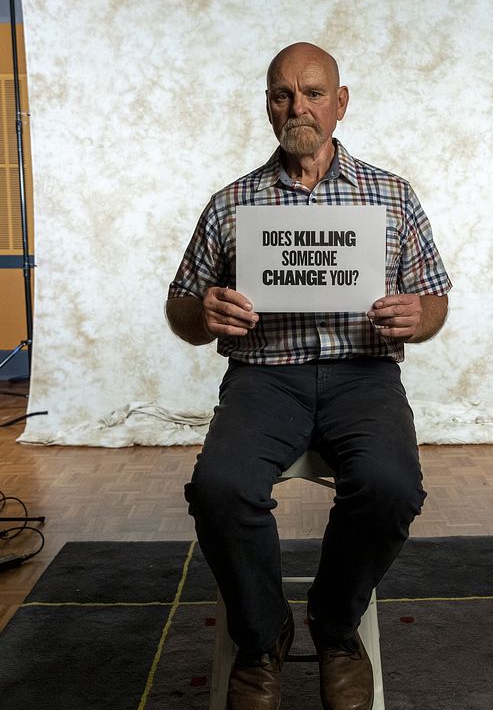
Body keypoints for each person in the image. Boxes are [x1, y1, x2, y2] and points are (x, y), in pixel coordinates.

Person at [165, 42, 451, 710]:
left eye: (314, 93)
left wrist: (419, 316)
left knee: (391, 486)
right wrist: (204, 312)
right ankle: (262, 638)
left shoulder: (393, 195)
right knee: (219, 488)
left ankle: (335, 626)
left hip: (364, 376)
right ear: (268, 106)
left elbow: (434, 297)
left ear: (340, 103)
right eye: (283, 94)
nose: (299, 107)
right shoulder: (231, 204)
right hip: (264, 379)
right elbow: (181, 307)